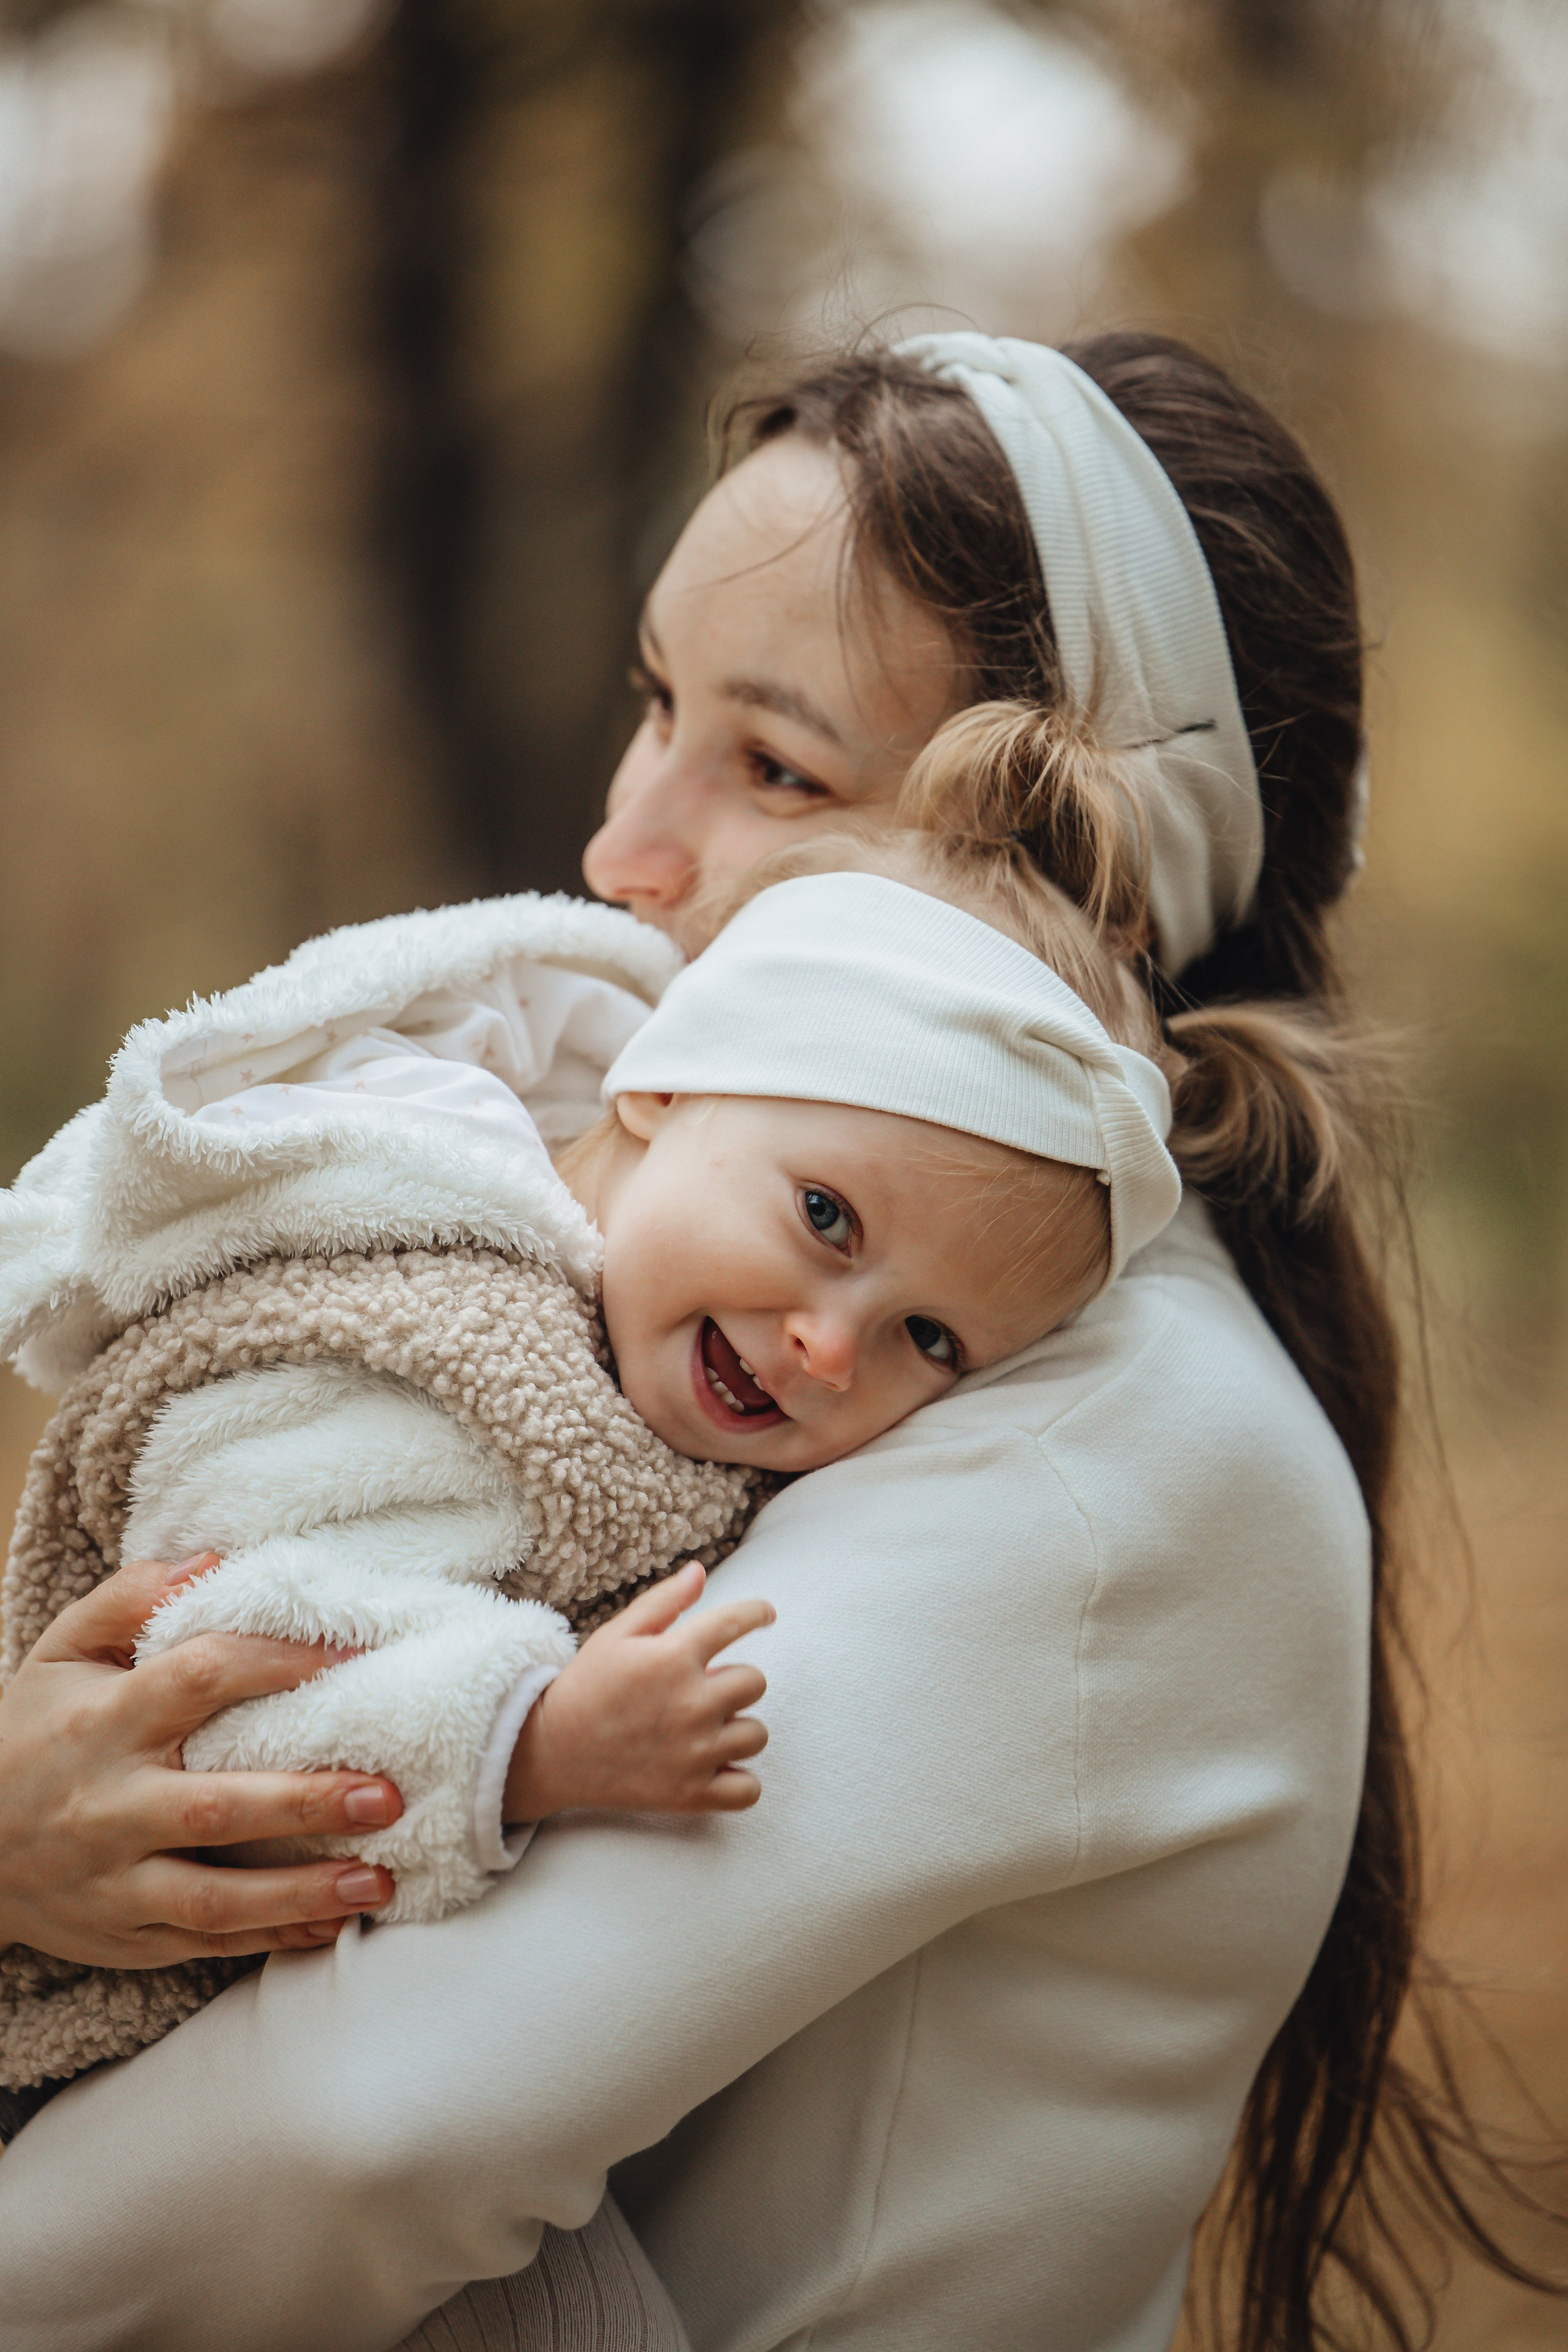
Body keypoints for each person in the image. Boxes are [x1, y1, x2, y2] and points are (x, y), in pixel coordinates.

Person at [0, 332, 1525, 2352]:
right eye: (658, 701)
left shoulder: (1108, 1434)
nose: (624, 843)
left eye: (779, 767)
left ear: (1053, 880)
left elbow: (368, 2131)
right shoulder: (814, 1306)